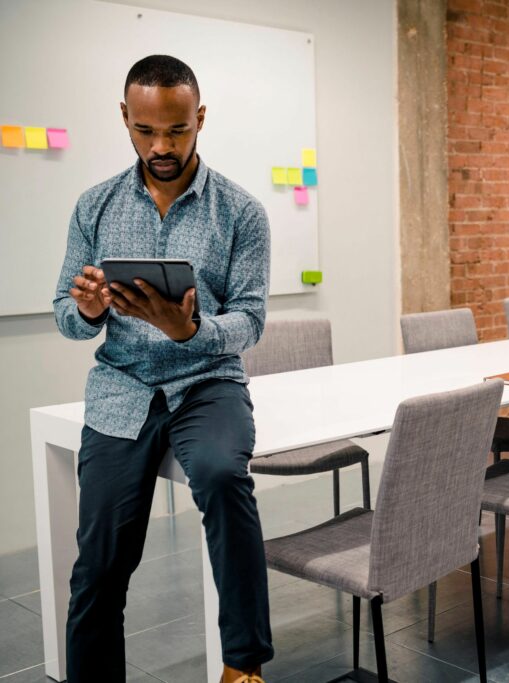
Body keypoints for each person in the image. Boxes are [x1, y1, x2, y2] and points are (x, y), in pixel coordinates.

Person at [54, 55, 272, 682]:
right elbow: (63, 314)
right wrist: (88, 309)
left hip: (207, 382)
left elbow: (252, 320)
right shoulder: (93, 207)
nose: (161, 146)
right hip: (122, 386)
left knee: (223, 479)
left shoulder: (241, 212)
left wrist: (194, 329)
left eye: (176, 131)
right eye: (145, 131)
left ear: (199, 118)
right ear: (125, 118)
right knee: (99, 557)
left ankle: (244, 667)